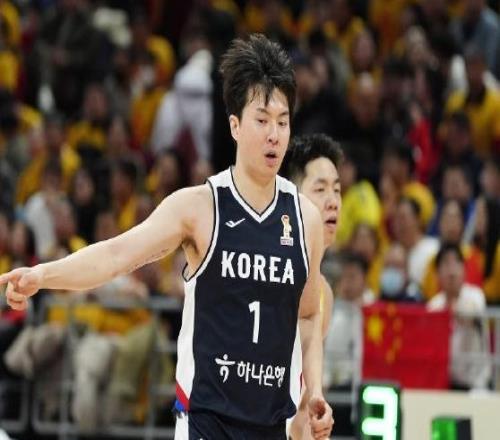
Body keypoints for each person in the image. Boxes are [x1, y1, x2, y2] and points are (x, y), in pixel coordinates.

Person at [0, 34, 333, 440]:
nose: (274, 135)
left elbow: (309, 315)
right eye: (262, 120)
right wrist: (43, 275)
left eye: (282, 122)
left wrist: (314, 391)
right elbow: (116, 255)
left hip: (272, 424)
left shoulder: (305, 219)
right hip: (205, 421)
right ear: (234, 125)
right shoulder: (198, 207)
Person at [280, 133, 343, 439]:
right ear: (291, 198)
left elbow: (303, 405)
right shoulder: (266, 269)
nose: (333, 201)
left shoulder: (323, 295)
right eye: (320, 189)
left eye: (337, 190)